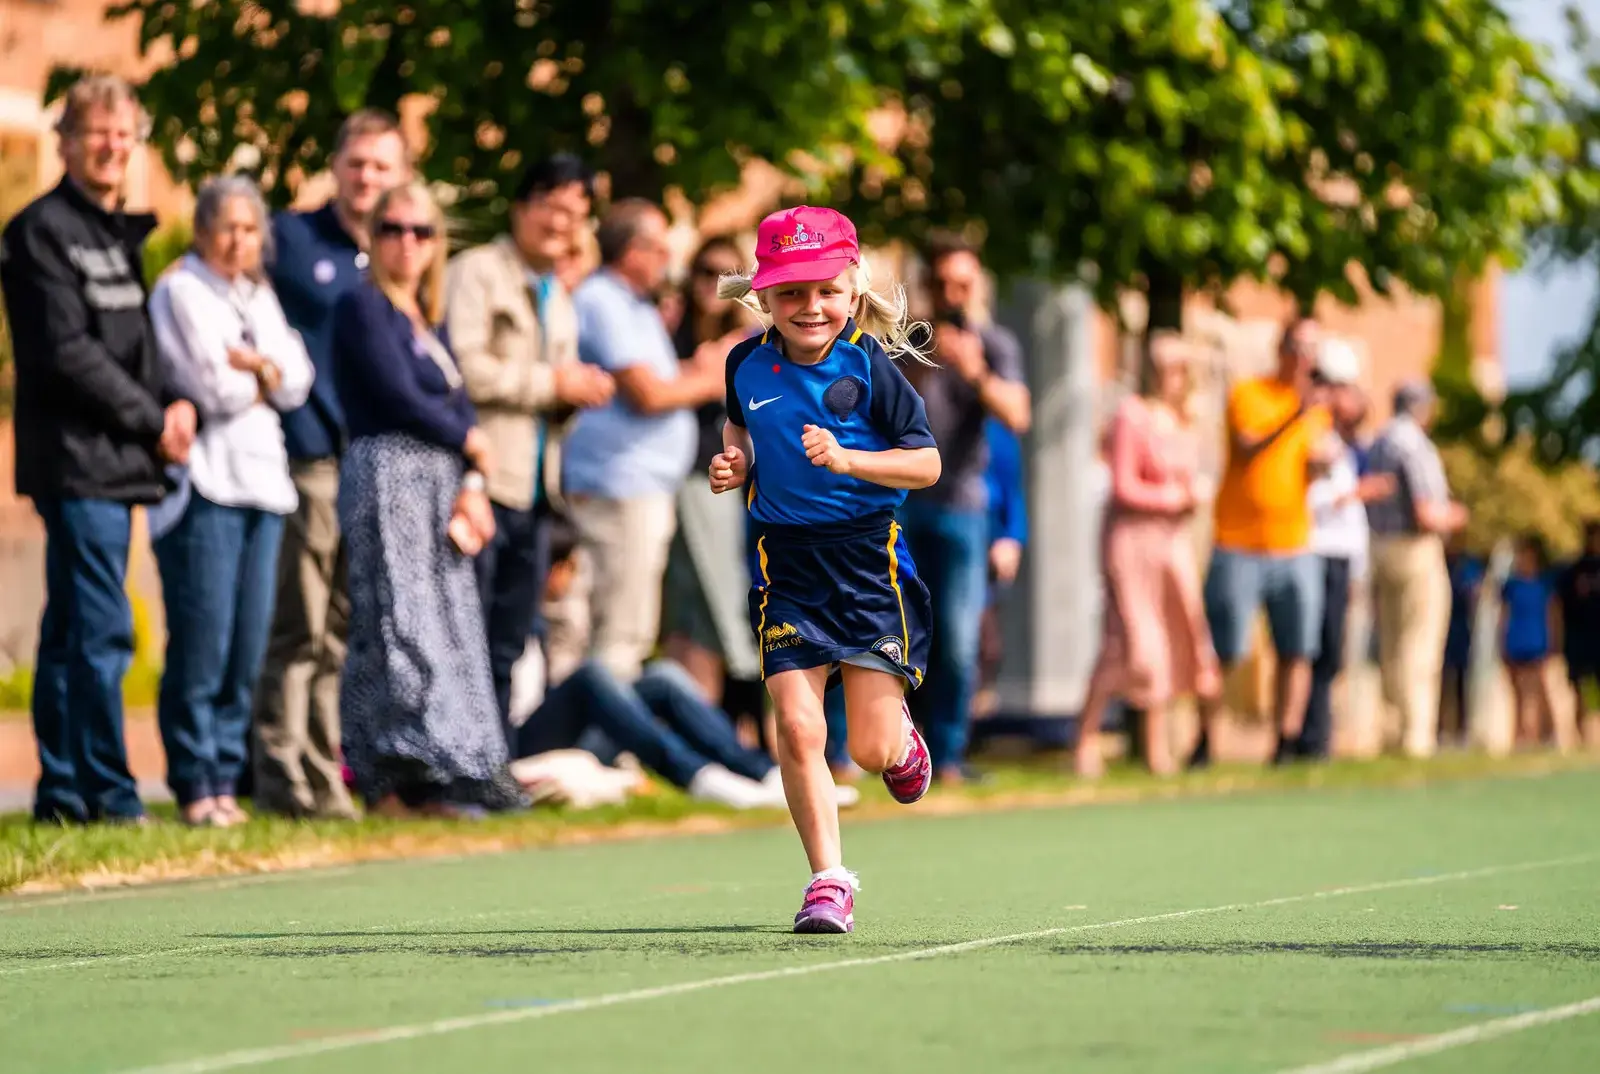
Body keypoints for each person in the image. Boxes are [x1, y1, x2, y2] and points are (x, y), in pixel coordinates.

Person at [711, 205, 942, 934]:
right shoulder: (744, 362)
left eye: (825, 291)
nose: (810, 307)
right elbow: (740, 424)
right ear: (765, 298)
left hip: (869, 562)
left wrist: (848, 460)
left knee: (870, 751)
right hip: (788, 564)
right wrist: (736, 462)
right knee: (797, 724)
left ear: (851, 289)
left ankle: (901, 739)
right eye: (790, 293)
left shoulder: (873, 367)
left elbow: (926, 463)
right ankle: (828, 880)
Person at [1, 75, 197, 825]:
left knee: (69, 630)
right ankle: (112, 793)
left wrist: (171, 407)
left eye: (124, 134)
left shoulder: (117, 234)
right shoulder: (40, 231)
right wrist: (153, 418)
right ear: (65, 143)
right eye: (96, 132)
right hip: (76, 461)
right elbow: (66, 354)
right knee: (103, 626)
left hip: (120, 462)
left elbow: (134, 346)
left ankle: (63, 792)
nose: (112, 146)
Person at [333, 182, 526, 818]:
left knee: (448, 625)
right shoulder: (363, 307)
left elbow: (457, 397)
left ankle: (453, 765)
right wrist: (468, 438)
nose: (407, 242)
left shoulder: (426, 315)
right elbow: (397, 395)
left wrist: (471, 472)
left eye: (421, 231)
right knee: (396, 624)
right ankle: (394, 771)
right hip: (389, 475)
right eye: (392, 228)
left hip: (440, 482)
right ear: (372, 235)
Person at [254, 108, 410, 819]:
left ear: (399, 176)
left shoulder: (395, 251)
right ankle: (280, 775)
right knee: (299, 625)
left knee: (340, 629)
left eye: (381, 166)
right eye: (357, 163)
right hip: (307, 456)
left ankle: (323, 774)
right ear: (336, 166)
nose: (367, 178)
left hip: (368, 465)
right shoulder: (289, 238)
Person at [147, 177, 313, 827]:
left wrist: (261, 369)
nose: (238, 239)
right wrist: (260, 375)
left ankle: (225, 776)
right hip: (208, 486)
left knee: (247, 647)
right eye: (227, 227)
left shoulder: (258, 294)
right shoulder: (181, 290)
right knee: (204, 642)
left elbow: (298, 380)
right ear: (202, 229)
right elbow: (210, 386)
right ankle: (195, 780)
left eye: (249, 229)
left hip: (265, 486)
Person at [444, 154, 615, 733]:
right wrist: (553, 384)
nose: (563, 223)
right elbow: (461, 369)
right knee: (467, 633)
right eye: (553, 206)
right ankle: (461, 761)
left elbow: (552, 394)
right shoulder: (477, 270)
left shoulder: (557, 293)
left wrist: (576, 393)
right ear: (521, 206)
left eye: (577, 214)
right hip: (483, 484)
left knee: (510, 641)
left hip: (539, 492)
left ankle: (491, 762)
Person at [511, 514, 842, 810]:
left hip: (570, 739)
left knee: (663, 677)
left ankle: (769, 774)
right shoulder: (510, 620)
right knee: (590, 676)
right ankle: (699, 777)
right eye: (569, 568)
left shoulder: (548, 620)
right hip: (522, 750)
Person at [555, 200, 725, 683]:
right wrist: (712, 379)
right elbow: (648, 394)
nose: (667, 258)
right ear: (632, 251)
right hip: (619, 488)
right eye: (659, 247)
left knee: (626, 628)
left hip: (637, 487)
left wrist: (701, 368)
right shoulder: (603, 300)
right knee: (617, 631)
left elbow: (665, 379)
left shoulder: (635, 305)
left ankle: (595, 747)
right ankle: (592, 751)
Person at [899, 234, 1031, 782]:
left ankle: (948, 757)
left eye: (964, 284)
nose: (954, 294)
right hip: (901, 507)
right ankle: (873, 752)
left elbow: (1019, 415)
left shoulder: (995, 344)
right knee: (886, 631)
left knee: (957, 638)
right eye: (944, 283)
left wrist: (974, 372)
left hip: (963, 509)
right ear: (928, 285)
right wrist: (926, 364)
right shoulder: (907, 341)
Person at [1191, 317, 1336, 768]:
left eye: (1314, 350)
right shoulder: (1249, 394)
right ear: (1282, 348)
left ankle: (1286, 743)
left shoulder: (1319, 410)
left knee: (1297, 649)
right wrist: (1296, 413)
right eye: (1299, 347)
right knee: (1226, 649)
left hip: (1294, 544)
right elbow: (1249, 446)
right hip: (1238, 544)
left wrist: (1323, 463)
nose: (1306, 358)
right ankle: (1204, 741)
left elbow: (1309, 470)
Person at [1075, 333, 1220, 777]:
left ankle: (1178, 745)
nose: (1169, 377)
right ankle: (1091, 740)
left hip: (1172, 545)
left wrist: (1191, 496)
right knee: (1135, 643)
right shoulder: (1131, 416)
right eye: (1162, 367)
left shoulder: (1184, 421)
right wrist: (1174, 497)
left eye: (1177, 368)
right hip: (1132, 543)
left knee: (1185, 637)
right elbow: (1124, 486)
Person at [661, 236, 763, 702]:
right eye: (704, 271)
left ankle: (739, 718)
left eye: (726, 275)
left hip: (716, 482)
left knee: (722, 596)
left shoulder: (746, 343)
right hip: (665, 478)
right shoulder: (672, 330)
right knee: (682, 607)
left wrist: (695, 377)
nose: (712, 284)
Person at [1364, 379, 1468, 758]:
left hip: (1380, 549)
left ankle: (1392, 731)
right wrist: (1456, 517)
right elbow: (1427, 513)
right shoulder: (1414, 446)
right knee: (1419, 643)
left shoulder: (1378, 442)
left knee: (1391, 643)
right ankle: (1415, 737)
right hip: (1414, 549)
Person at [1293, 341, 1386, 761]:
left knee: (1332, 650)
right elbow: (1313, 498)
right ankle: (1307, 738)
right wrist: (1353, 495)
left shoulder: (1349, 445)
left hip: (1342, 557)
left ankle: (1319, 737)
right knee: (1310, 647)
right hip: (1315, 551)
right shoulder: (1311, 433)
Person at [1502, 535, 1557, 747]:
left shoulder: (1544, 585)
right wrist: (1502, 642)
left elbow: (1552, 615)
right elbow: (1504, 616)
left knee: (1534, 692)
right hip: (1515, 641)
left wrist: (1552, 642)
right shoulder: (1511, 586)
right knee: (1516, 693)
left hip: (1536, 642)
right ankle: (1519, 736)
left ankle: (1537, 735)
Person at [1556, 520, 1600, 745]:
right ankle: (1584, 739)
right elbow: (1558, 607)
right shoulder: (1572, 571)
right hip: (1580, 642)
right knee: (1581, 690)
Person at [1439, 530, 1485, 746]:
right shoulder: (1438, 562)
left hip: (1460, 630)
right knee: (1438, 680)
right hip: (1440, 629)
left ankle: (1462, 730)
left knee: (1460, 681)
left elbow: (1475, 593)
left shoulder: (1468, 565)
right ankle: (1437, 729)